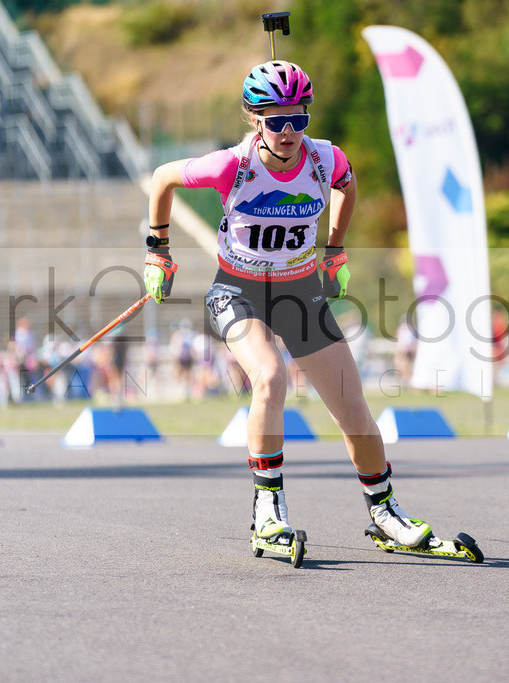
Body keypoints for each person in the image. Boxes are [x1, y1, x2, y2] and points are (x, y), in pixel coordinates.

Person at [143, 60, 435, 550]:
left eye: (298, 119)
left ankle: (385, 514)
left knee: (352, 407)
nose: (288, 131)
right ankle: (267, 512)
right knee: (270, 377)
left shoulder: (325, 159)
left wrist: (336, 248)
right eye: (276, 121)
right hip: (239, 293)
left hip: (300, 293)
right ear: (255, 119)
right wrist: (158, 250)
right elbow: (161, 177)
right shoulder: (230, 165)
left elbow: (348, 183)